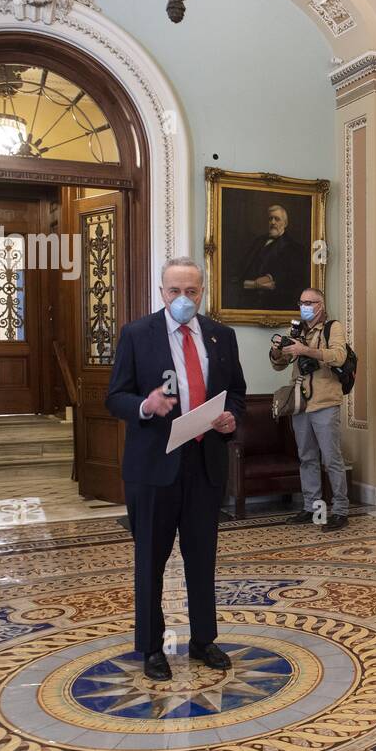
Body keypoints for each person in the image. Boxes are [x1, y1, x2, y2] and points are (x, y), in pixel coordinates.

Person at [106, 256, 247, 681]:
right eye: (175, 291)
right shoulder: (137, 334)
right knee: (150, 558)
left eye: (192, 291)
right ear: (161, 292)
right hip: (153, 467)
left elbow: (236, 392)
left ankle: (204, 639)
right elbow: (115, 397)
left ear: (201, 292)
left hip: (204, 464)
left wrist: (231, 419)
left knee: (202, 557)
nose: (183, 299)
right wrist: (145, 406)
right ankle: (151, 646)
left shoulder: (222, 336)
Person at [270, 287, 349, 531]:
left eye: (310, 302)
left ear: (320, 305)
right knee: (306, 457)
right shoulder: (295, 330)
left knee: (331, 458)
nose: (305, 306)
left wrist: (305, 350)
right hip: (300, 403)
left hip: (325, 401)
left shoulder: (331, 327)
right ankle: (313, 508)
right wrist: (277, 350)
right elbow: (279, 365)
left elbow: (339, 356)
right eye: (301, 302)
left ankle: (340, 511)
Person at [241, 204, 306, 312]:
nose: (273, 222)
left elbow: (292, 277)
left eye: (277, 219)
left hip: (275, 301)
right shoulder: (258, 241)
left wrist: (270, 277)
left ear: (285, 223)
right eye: (270, 219)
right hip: (249, 299)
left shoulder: (294, 247)